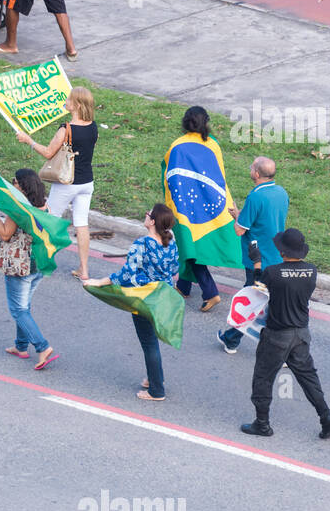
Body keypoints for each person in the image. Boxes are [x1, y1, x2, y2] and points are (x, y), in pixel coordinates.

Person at [239, 229, 330, 439]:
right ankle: (327, 417)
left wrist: (256, 262)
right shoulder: (312, 271)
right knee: (308, 378)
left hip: (276, 335)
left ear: (282, 251)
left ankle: (262, 424)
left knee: (263, 378)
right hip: (301, 334)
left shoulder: (273, 272)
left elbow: (258, 288)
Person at [83, 203, 180, 401]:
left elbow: (127, 273)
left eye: (148, 214)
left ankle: (156, 390)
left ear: (152, 221)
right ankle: (153, 378)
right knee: (152, 340)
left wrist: (100, 282)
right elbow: (175, 267)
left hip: (143, 298)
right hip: (163, 296)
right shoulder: (171, 242)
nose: (145, 215)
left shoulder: (142, 244)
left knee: (149, 343)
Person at [16, 86, 97, 278]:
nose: (65, 101)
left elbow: (47, 153)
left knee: (47, 221)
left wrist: (29, 140)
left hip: (66, 183)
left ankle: (39, 262)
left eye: (69, 99)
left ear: (76, 104)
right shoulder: (93, 126)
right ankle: (84, 270)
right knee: (81, 224)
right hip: (87, 183)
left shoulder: (66, 129)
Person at [0, 169, 57, 370]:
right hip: (39, 265)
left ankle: (42, 346)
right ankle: (21, 346)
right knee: (24, 306)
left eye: (14, 181)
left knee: (18, 310)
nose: (12, 184)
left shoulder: (19, 209)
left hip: (20, 267)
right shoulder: (43, 206)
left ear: (21, 186)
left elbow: (5, 235)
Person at [218, 156, 289, 353]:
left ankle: (232, 340)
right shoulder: (281, 193)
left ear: (256, 173)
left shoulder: (255, 196)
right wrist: (241, 216)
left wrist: (237, 220)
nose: (250, 169)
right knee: (268, 302)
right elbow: (266, 221)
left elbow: (240, 231)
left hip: (257, 258)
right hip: (276, 255)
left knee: (252, 301)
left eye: (252, 167)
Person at [170, 106, 229, 313]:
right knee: (189, 247)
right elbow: (219, 177)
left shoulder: (177, 145)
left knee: (189, 248)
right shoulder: (213, 144)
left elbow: (171, 176)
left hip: (185, 207)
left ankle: (210, 292)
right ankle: (183, 286)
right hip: (209, 207)